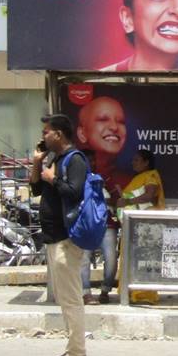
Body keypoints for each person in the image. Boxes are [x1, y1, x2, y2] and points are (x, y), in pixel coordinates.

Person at [29, 113, 91, 356]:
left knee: (71, 299)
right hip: (54, 238)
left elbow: (74, 192)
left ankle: (76, 354)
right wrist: (37, 164)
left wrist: (51, 178)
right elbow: (36, 189)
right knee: (65, 300)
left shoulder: (75, 160)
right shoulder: (55, 159)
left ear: (59, 133)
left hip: (67, 239)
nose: (43, 136)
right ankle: (71, 350)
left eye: (46, 132)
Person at [75, 95, 129, 304]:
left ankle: (105, 290)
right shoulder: (77, 176)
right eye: (103, 119)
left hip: (108, 224)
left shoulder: (119, 178)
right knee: (84, 258)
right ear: (82, 133)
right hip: (86, 223)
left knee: (111, 259)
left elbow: (121, 201)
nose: (114, 127)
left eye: (120, 121)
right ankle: (85, 293)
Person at [118, 148, 165, 304]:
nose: (133, 163)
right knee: (133, 257)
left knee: (145, 257)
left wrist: (128, 201)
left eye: (137, 160)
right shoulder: (138, 178)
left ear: (146, 162)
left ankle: (145, 294)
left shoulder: (150, 176)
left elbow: (149, 195)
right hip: (135, 225)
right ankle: (132, 292)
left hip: (147, 226)